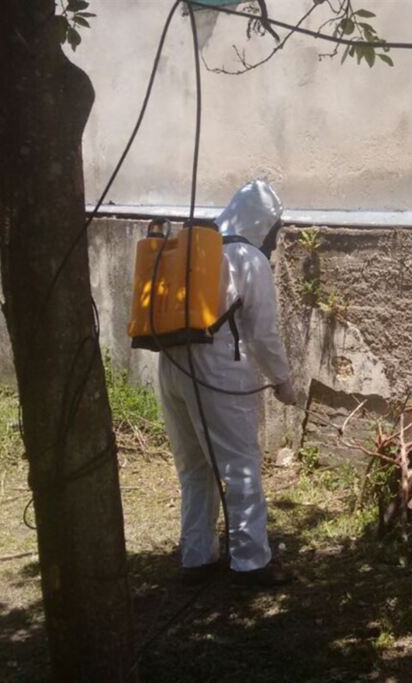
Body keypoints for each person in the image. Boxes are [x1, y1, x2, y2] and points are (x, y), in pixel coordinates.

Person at [158, 179, 297, 588]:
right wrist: (283, 381)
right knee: (241, 466)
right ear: (263, 223)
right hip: (218, 369)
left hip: (170, 366)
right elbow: (264, 334)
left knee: (195, 467)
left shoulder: (190, 248)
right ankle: (251, 563)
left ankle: (197, 557)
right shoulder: (248, 258)